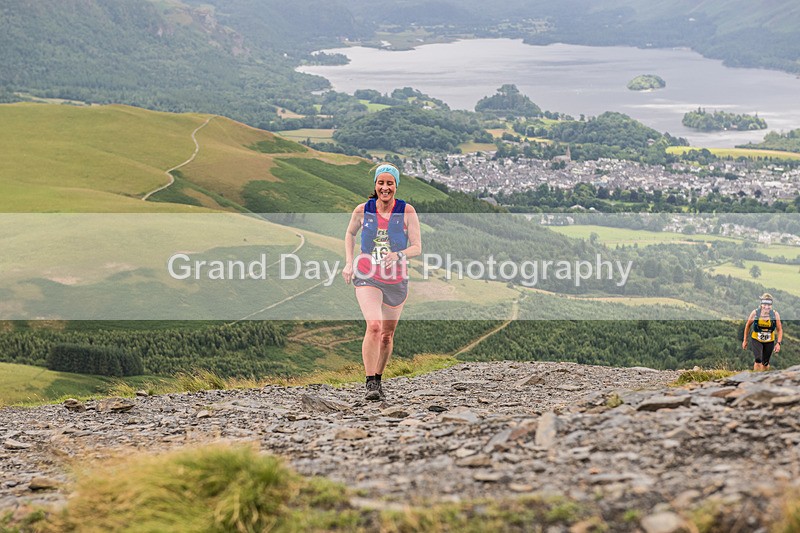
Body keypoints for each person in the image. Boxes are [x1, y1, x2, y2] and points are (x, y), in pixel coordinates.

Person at [342, 163, 421, 401]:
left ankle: (378, 377)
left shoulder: (407, 211)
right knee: (374, 326)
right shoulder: (362, 210)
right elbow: (350, 234)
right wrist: (349, 262)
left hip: (396, 278)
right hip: (367, 274)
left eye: (389, 183)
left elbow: (417, 247)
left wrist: (398, 255)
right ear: (375, 185)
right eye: (380, 183)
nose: (384, 188)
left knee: (387, 335)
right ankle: (370, 383)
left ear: (396, 186)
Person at [742, 292, 783, 371]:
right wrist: (745, 340)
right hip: (756, 339)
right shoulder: (755, 313)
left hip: (769, 341)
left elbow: (779, 329)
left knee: (765, 363)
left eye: (769, 305)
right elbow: (747, 325)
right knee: (758, 360)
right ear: (761, 304)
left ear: (771, 305)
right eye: (765, 304)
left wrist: (778, 343)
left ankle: (764, 377)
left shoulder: (775, 315)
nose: (766, 307)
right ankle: (756, 378)